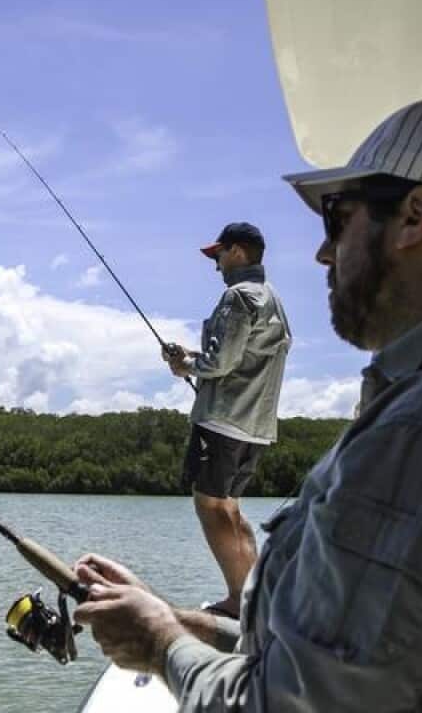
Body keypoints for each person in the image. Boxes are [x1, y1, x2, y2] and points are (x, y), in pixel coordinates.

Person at [74, 100, 422, 710]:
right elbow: (357, 658)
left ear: (415, 217)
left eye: (337, 219)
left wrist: (159, 641)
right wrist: (183, 623)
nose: (323, 254)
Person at [162, 221, 291, 619]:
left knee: (210, 505)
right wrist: (192, 358)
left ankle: (238, 601)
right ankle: (255, 598)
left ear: (237, 252)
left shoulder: (238, 297)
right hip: (256, 427)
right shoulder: (272, 299)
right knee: (230, 508)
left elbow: (221, 361)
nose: (216, 264)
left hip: (223, 423)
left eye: (218, 254)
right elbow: (243, 357)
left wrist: (185, 365)